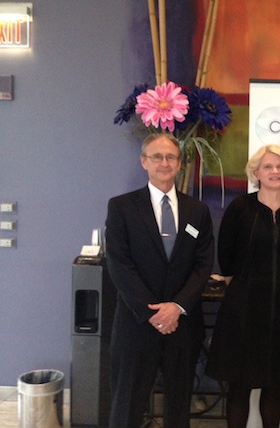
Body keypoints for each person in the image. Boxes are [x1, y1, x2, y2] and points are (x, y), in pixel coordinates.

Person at [105, 133, 214, 427]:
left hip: (182, 326)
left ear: (179, 164)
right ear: (144, 162)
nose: (164, 163)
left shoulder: (197, 211)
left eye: (171, 157)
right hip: (136, 324)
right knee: (127, 404)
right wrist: (153, 312)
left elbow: (203, 265)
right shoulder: (121, 207)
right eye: (157, 157)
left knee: (178, 407)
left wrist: (176, 307)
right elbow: (119, 265)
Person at [205, 144, 280, 428]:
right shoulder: (241, 207)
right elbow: (225, 255)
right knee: (240, 385)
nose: (275, 171)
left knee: (274, 385)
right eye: (268, 166)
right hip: (244, 308)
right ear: (256, 173)